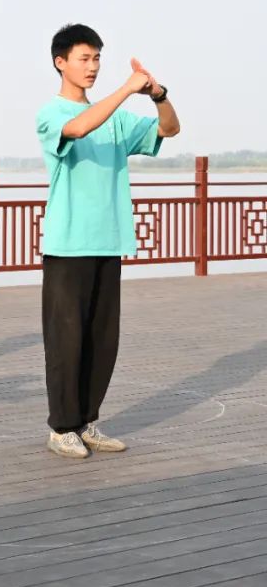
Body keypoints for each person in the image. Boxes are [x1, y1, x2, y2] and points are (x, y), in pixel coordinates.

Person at [36, 24, 180, 458]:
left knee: (102, 340)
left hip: (108, 240)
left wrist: (157, 95)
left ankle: (86, 421)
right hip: (68, 244)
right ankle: (62, 427)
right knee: (66, 340)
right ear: (60, 62)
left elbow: (169, 129)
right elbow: (79, 129)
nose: (93, 66)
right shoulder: (52, 113)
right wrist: (125, 89)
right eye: (84, 58)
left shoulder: (115, 117)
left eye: (97, 58)